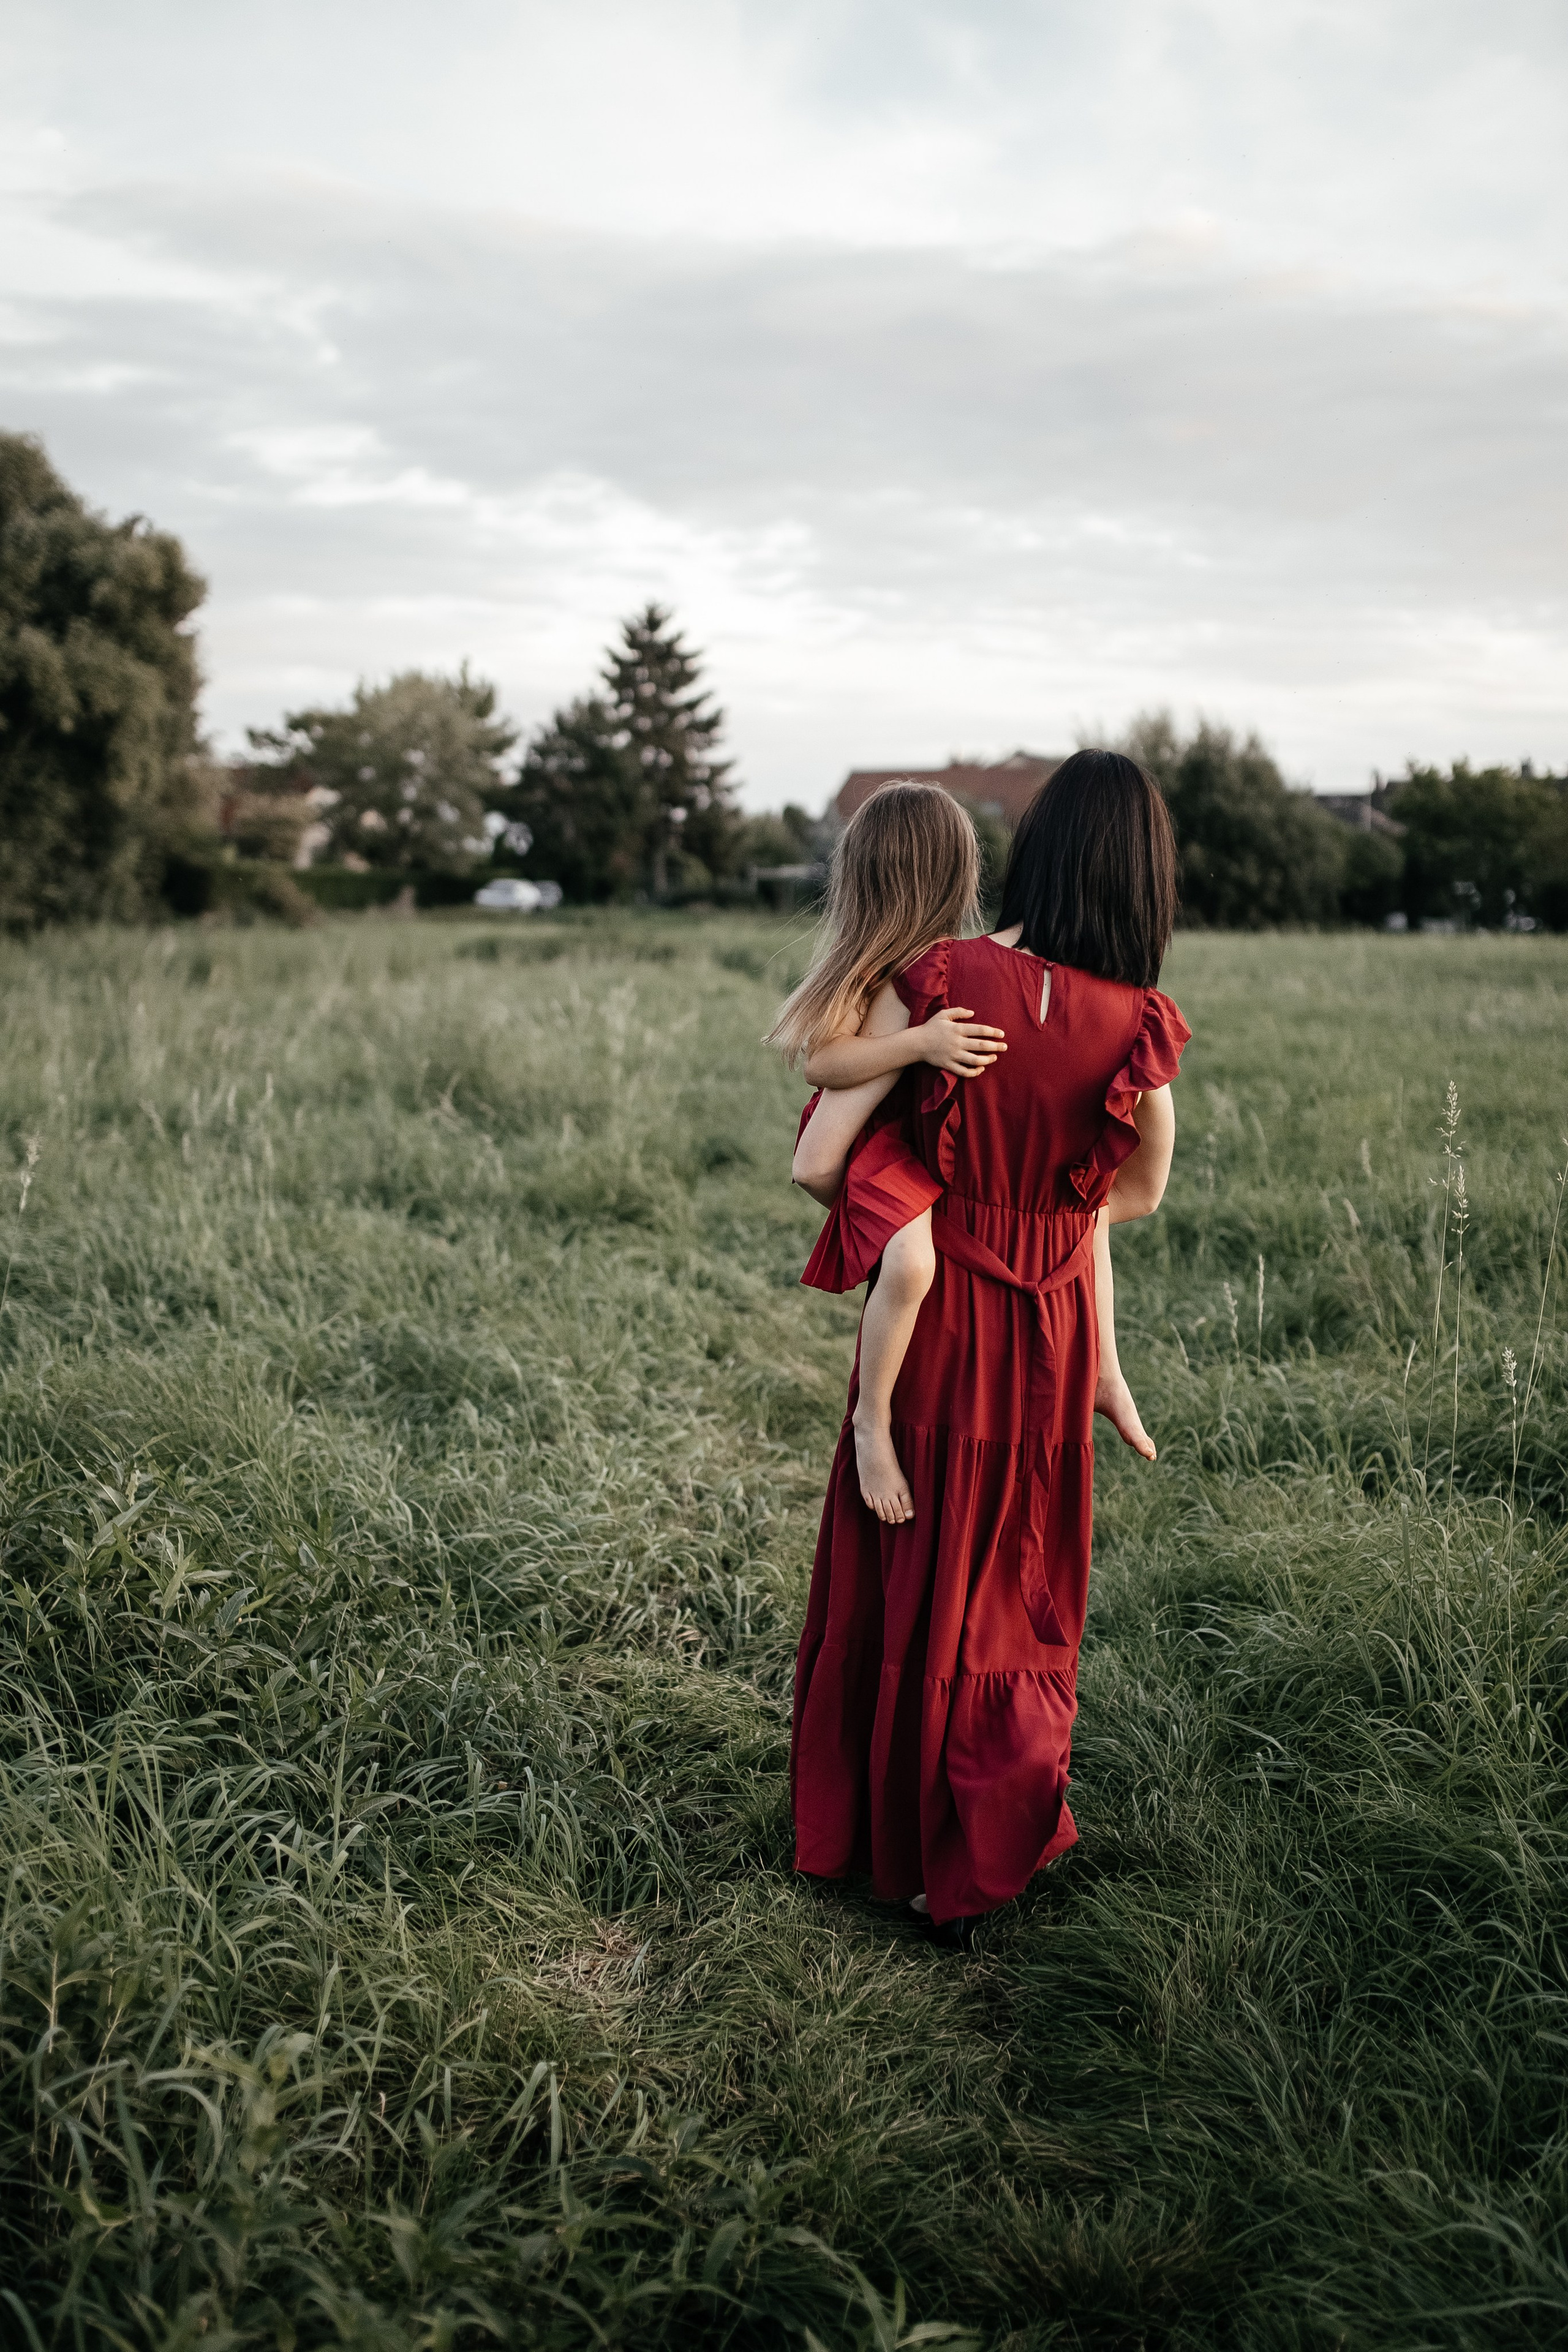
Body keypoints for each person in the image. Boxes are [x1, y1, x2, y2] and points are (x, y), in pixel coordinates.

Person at [786, 751, 1190, 1945]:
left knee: (914, 1573)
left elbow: (822, 1148)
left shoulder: (944, 979)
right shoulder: (1141, 1031)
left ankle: (893, 1848)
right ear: (1145, 881)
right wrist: (1098, 1346)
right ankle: (990, 1836)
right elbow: (1129, 1198)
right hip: (1050, 1333)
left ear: (1036, 848)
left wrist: (923, 1208)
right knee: (1015, 1586)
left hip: (944, 1320)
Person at [769, 782, 1158, 1529]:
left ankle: (876, 1411)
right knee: (912, 1264)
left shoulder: (926, 968)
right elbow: (820, 1106)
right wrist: (919, 1045)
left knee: (915, 1265)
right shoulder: (906, 978)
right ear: (957, 873)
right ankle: (871, 1422)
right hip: (886, 1160)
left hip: (901, 1168)